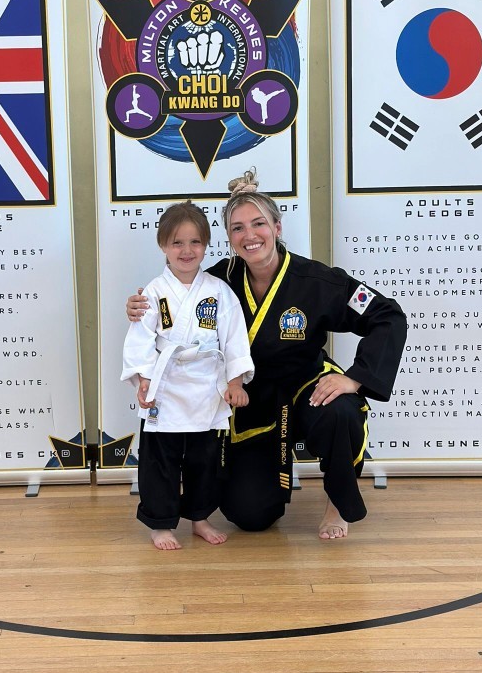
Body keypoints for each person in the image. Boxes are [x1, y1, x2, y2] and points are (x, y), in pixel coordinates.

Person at [127, 170, 407, 540]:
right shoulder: (218, 281)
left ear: (276, 227)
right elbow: (172, 301)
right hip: (250, 398)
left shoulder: (317, 281)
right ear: (229, 238)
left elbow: (387, 315)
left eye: (258, 224)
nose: (250, 235)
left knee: (341, 409)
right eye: (238, 228)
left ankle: (337, 504)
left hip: (306, 386)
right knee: (250, 515)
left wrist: (355, 377)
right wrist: (140, 306)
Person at [121, 200, 254, 550]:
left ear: (206, 245)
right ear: (162, 245)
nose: (187, 250)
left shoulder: (219, 291)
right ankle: (160, 523)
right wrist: (143, 378)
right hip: (165, 388)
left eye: (195, 242)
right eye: (177, 242)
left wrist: (235, 381)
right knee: (160, 462)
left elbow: (234, 337)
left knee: (204, 462)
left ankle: (199, 517)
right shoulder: (153, 291)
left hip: (207, 389)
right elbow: (140, 338)